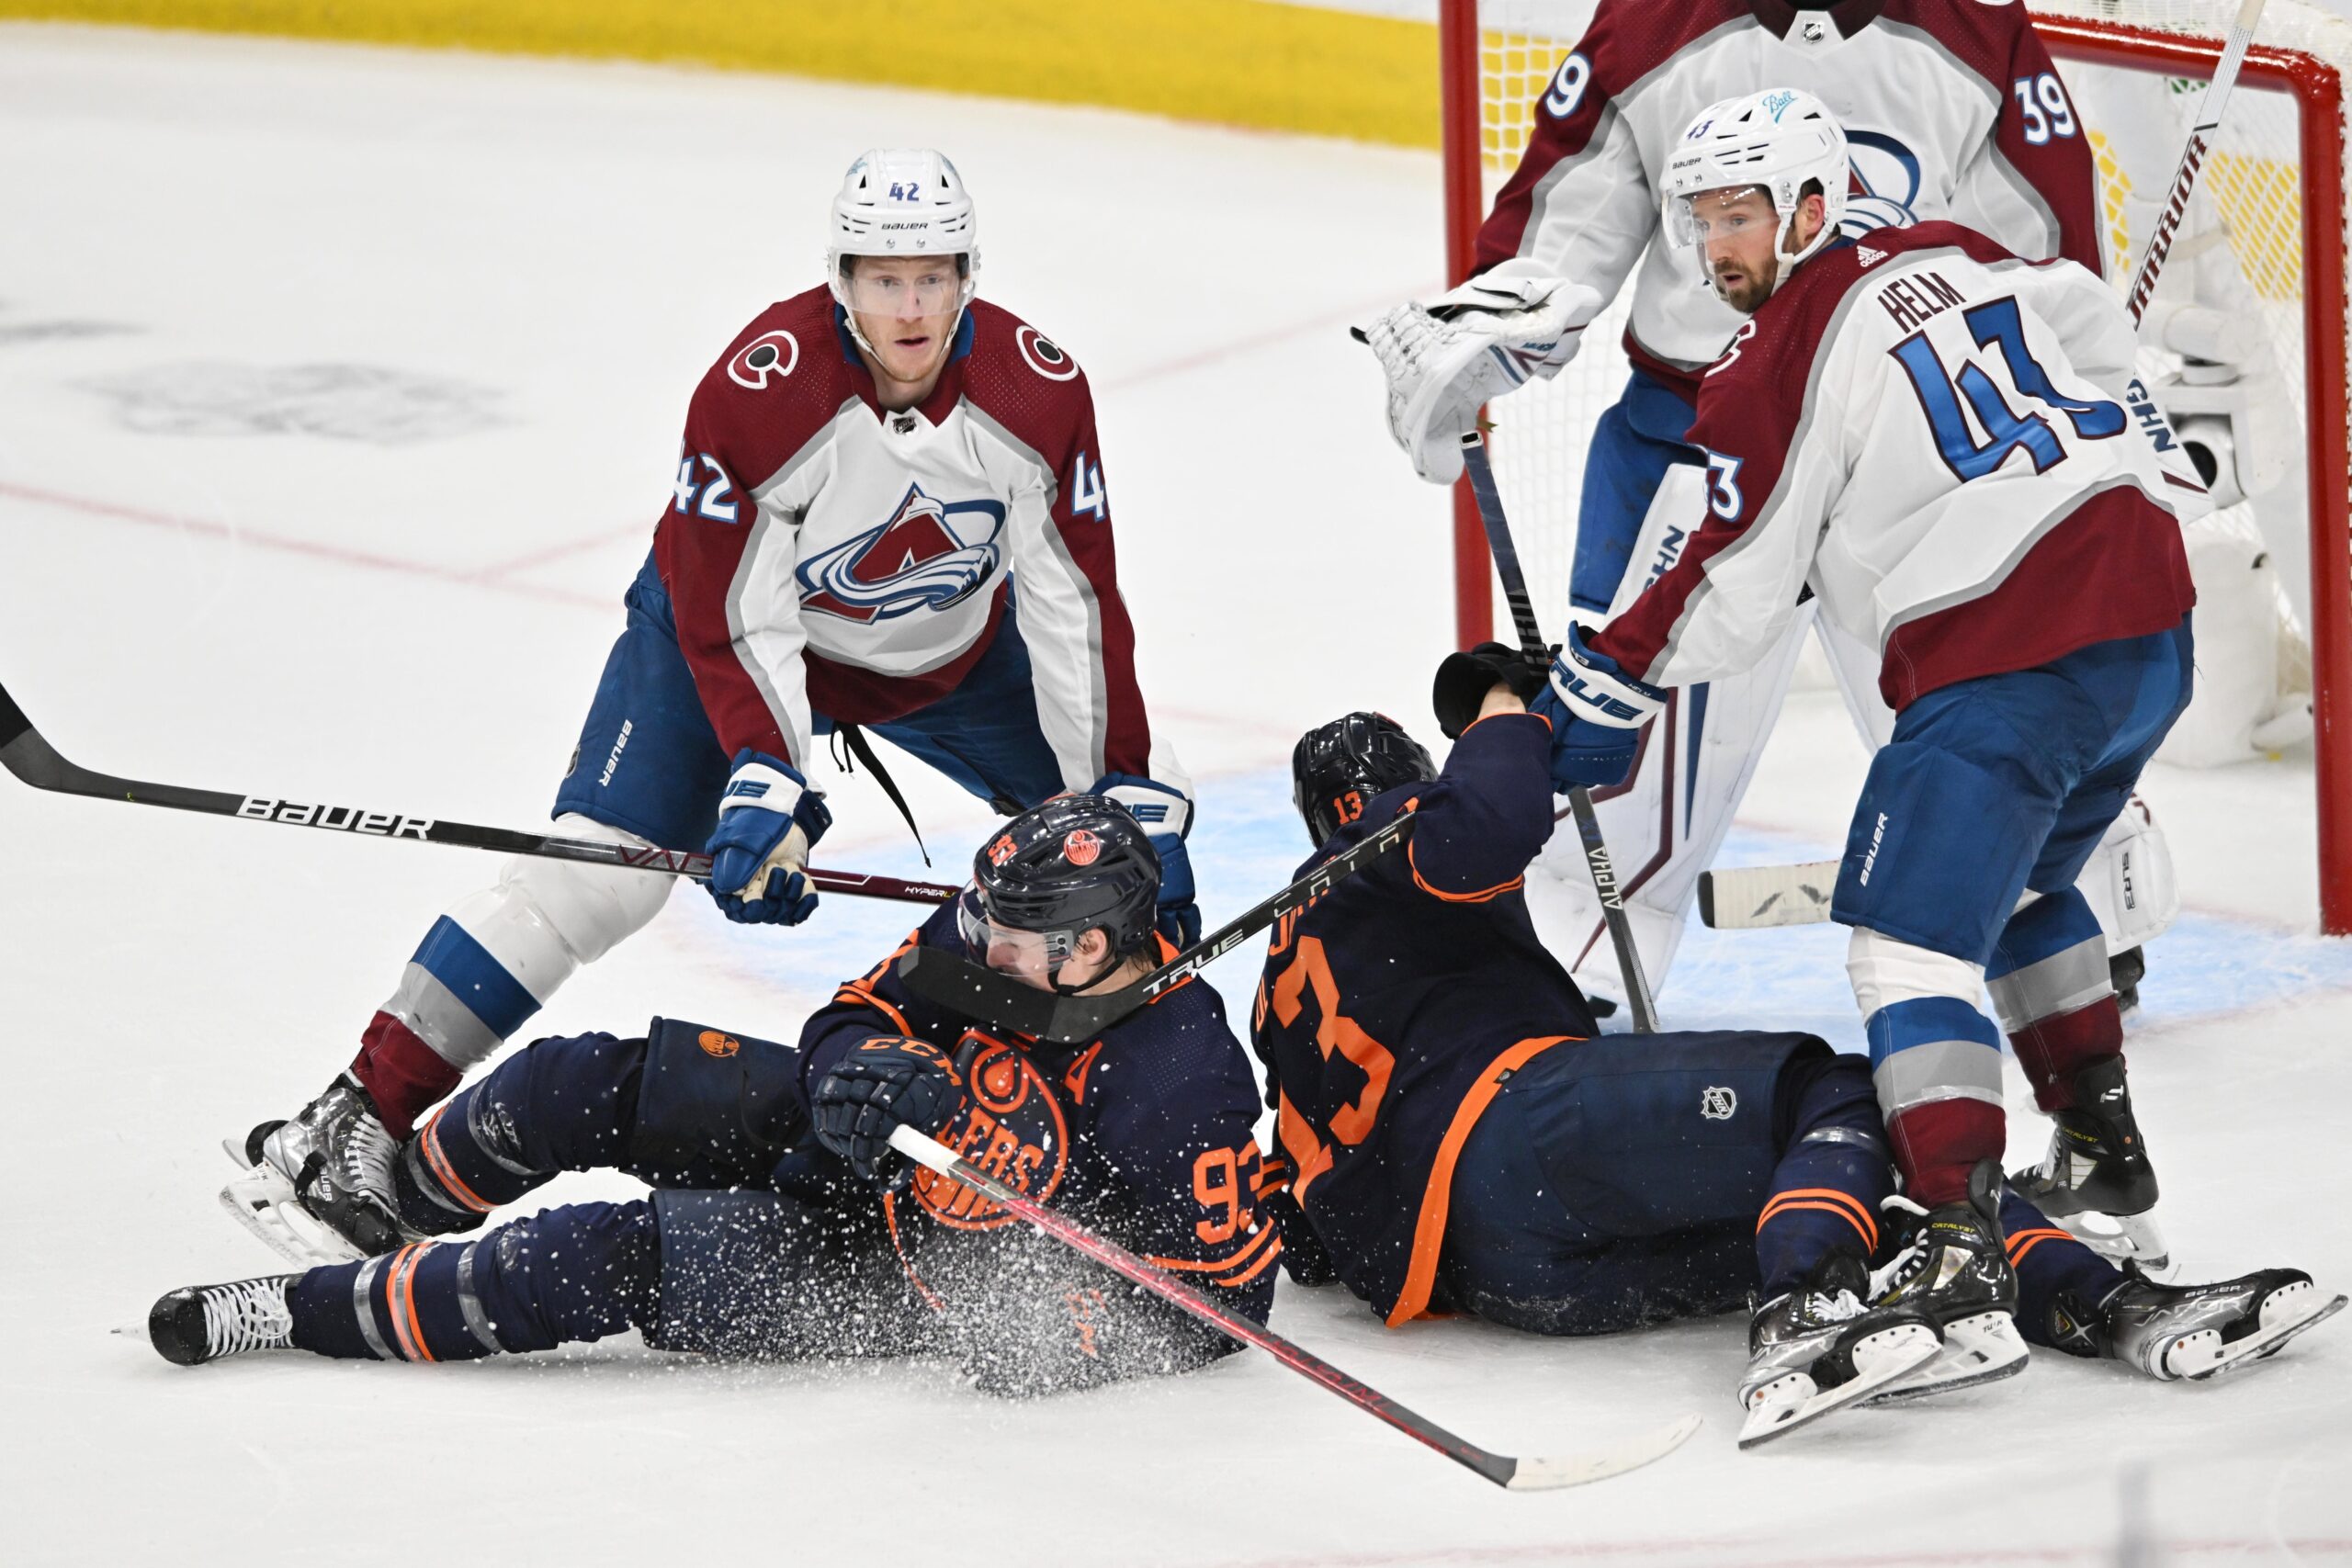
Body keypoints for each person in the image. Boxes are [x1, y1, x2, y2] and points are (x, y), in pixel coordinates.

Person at [227, 148, 1198, 1264]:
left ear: (968, 273)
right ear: (842, 278)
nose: (912, 305)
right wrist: (764, 785)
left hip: (958, 653)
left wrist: (1111, 793)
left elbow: (1074, 601)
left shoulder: (1037, 390)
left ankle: (1106, 1148)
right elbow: (741, 619)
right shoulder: (757, 394)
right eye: (885, 279)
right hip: (719, 637)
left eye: (933, 275)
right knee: (587, 879)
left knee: (1127, 847)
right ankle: (354, 1112)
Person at [1530, 87, 2216, 1323]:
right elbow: (2092, 316)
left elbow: (1725, 577)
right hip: (2148, 627)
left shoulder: (1779, 356)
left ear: (1809, 202)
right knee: (2017, 885)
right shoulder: (1952, 247)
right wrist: (2152, 456)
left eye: (1738, 215)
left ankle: (1958, 1237)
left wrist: (1606, 688)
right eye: (1697, 221)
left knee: (1906, 944)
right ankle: (2107, 1164)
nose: (1713, 248)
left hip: (2011, 648)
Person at [1358, 0, 2183, 1026]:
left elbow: (2047, 259)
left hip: (1907, 454)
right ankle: (1583, 960)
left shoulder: (1973, 27)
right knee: (1622, 792)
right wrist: (1481, 347)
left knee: (2001, 708)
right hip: (1701, 446)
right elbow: (1552, 244)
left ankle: (2084, 913)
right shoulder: (1651, 25)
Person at [1261, 698, 2338, 1443]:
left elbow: (1302, 1229)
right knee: (1833, 1092)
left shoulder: (1284, 977)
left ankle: (2111, 1309)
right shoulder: (1383, 849)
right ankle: (1802, 1315)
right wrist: (1506, 718)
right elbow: (1483, 826)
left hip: (1502, 1279)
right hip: (1514, 1130)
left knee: (1871, 1203)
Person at [163, 798, 1274, 1394]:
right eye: (976, 918)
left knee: (590, 1257)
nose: (971, 939)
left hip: (908, 1271)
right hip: (862, 1151)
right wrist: (847, 1074)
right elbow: (855, 1009)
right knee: (572, 1080)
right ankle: (395, 1209)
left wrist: (1039, 1327)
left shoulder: (1179, 1083)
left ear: (1088, 948)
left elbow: (1222, 1303)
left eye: (1005, 936)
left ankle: (300, 1313)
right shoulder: (1002, 924)